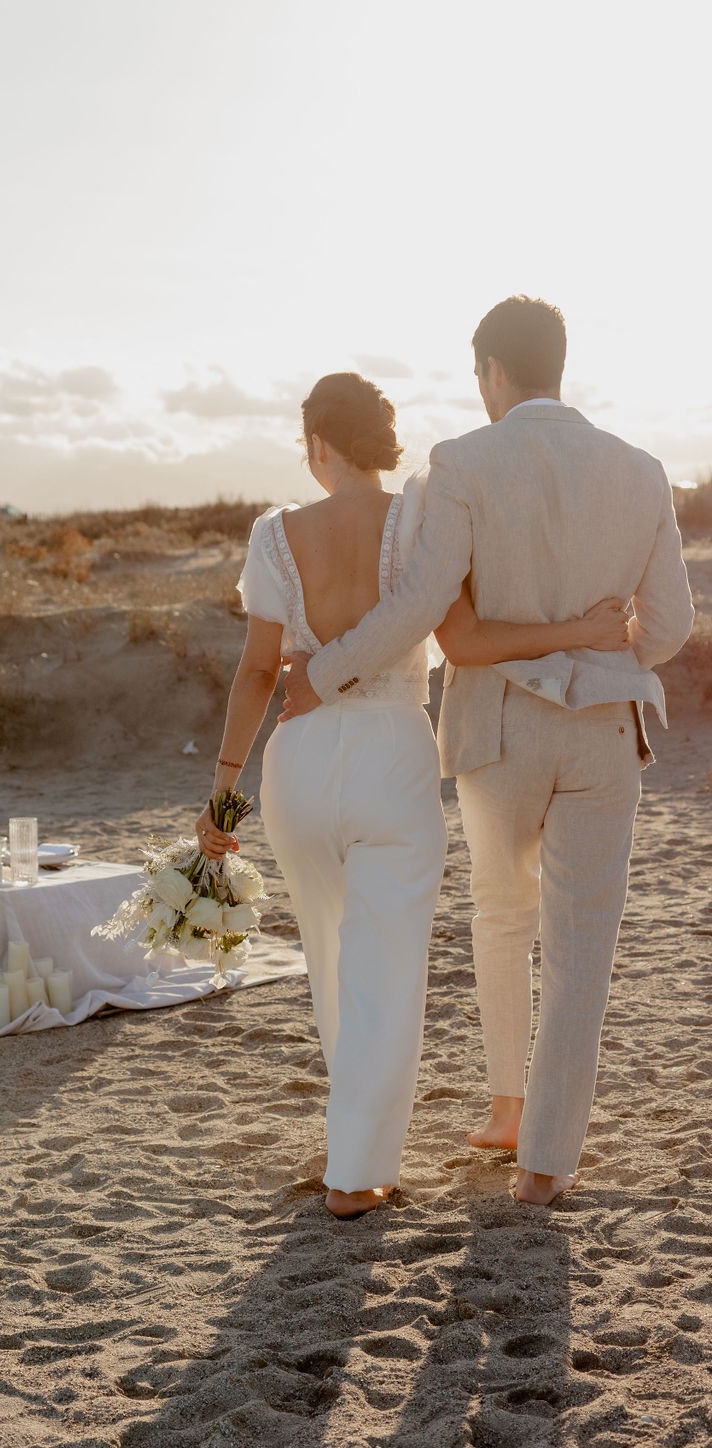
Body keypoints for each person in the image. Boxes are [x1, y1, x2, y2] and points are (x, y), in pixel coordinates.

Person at [281, 301, 695, 1206]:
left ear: (494, 371)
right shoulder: (641, 469)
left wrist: (328, 670)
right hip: (605, 733)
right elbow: (669, 628)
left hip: (500, 730)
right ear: (558, 365)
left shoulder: (463, 462)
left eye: (479, 375)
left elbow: (422, 604)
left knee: (502, 917)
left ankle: (507, 1104)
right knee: (582, 948)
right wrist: (596, 648)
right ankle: (545, 1164)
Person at [197, 370, 632, 1219]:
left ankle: (352, 1143)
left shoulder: (274, 534)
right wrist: (580, 632)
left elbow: (257, 673)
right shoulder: (420, 518)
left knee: (330, 963)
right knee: (384, 972)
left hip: (299, 765)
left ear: (320, 444)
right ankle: (356, 1175)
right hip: (392, 757)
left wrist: (223, 796)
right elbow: (461, 638)